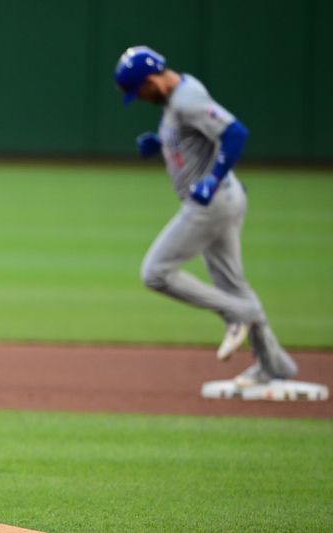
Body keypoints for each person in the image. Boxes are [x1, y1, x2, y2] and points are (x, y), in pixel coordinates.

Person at [114, 46, 297, 388]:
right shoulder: (176, 98)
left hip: (210, 204)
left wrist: (211, 179)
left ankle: (238, 313)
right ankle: (274, 365)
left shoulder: (185, 98)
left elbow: (235, 132)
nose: (139, 98)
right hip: (223, 199)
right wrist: (163, 145)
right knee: (233, 284)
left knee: (155, 273)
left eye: (138, 91)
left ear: (151, 80)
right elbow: (196, 135)